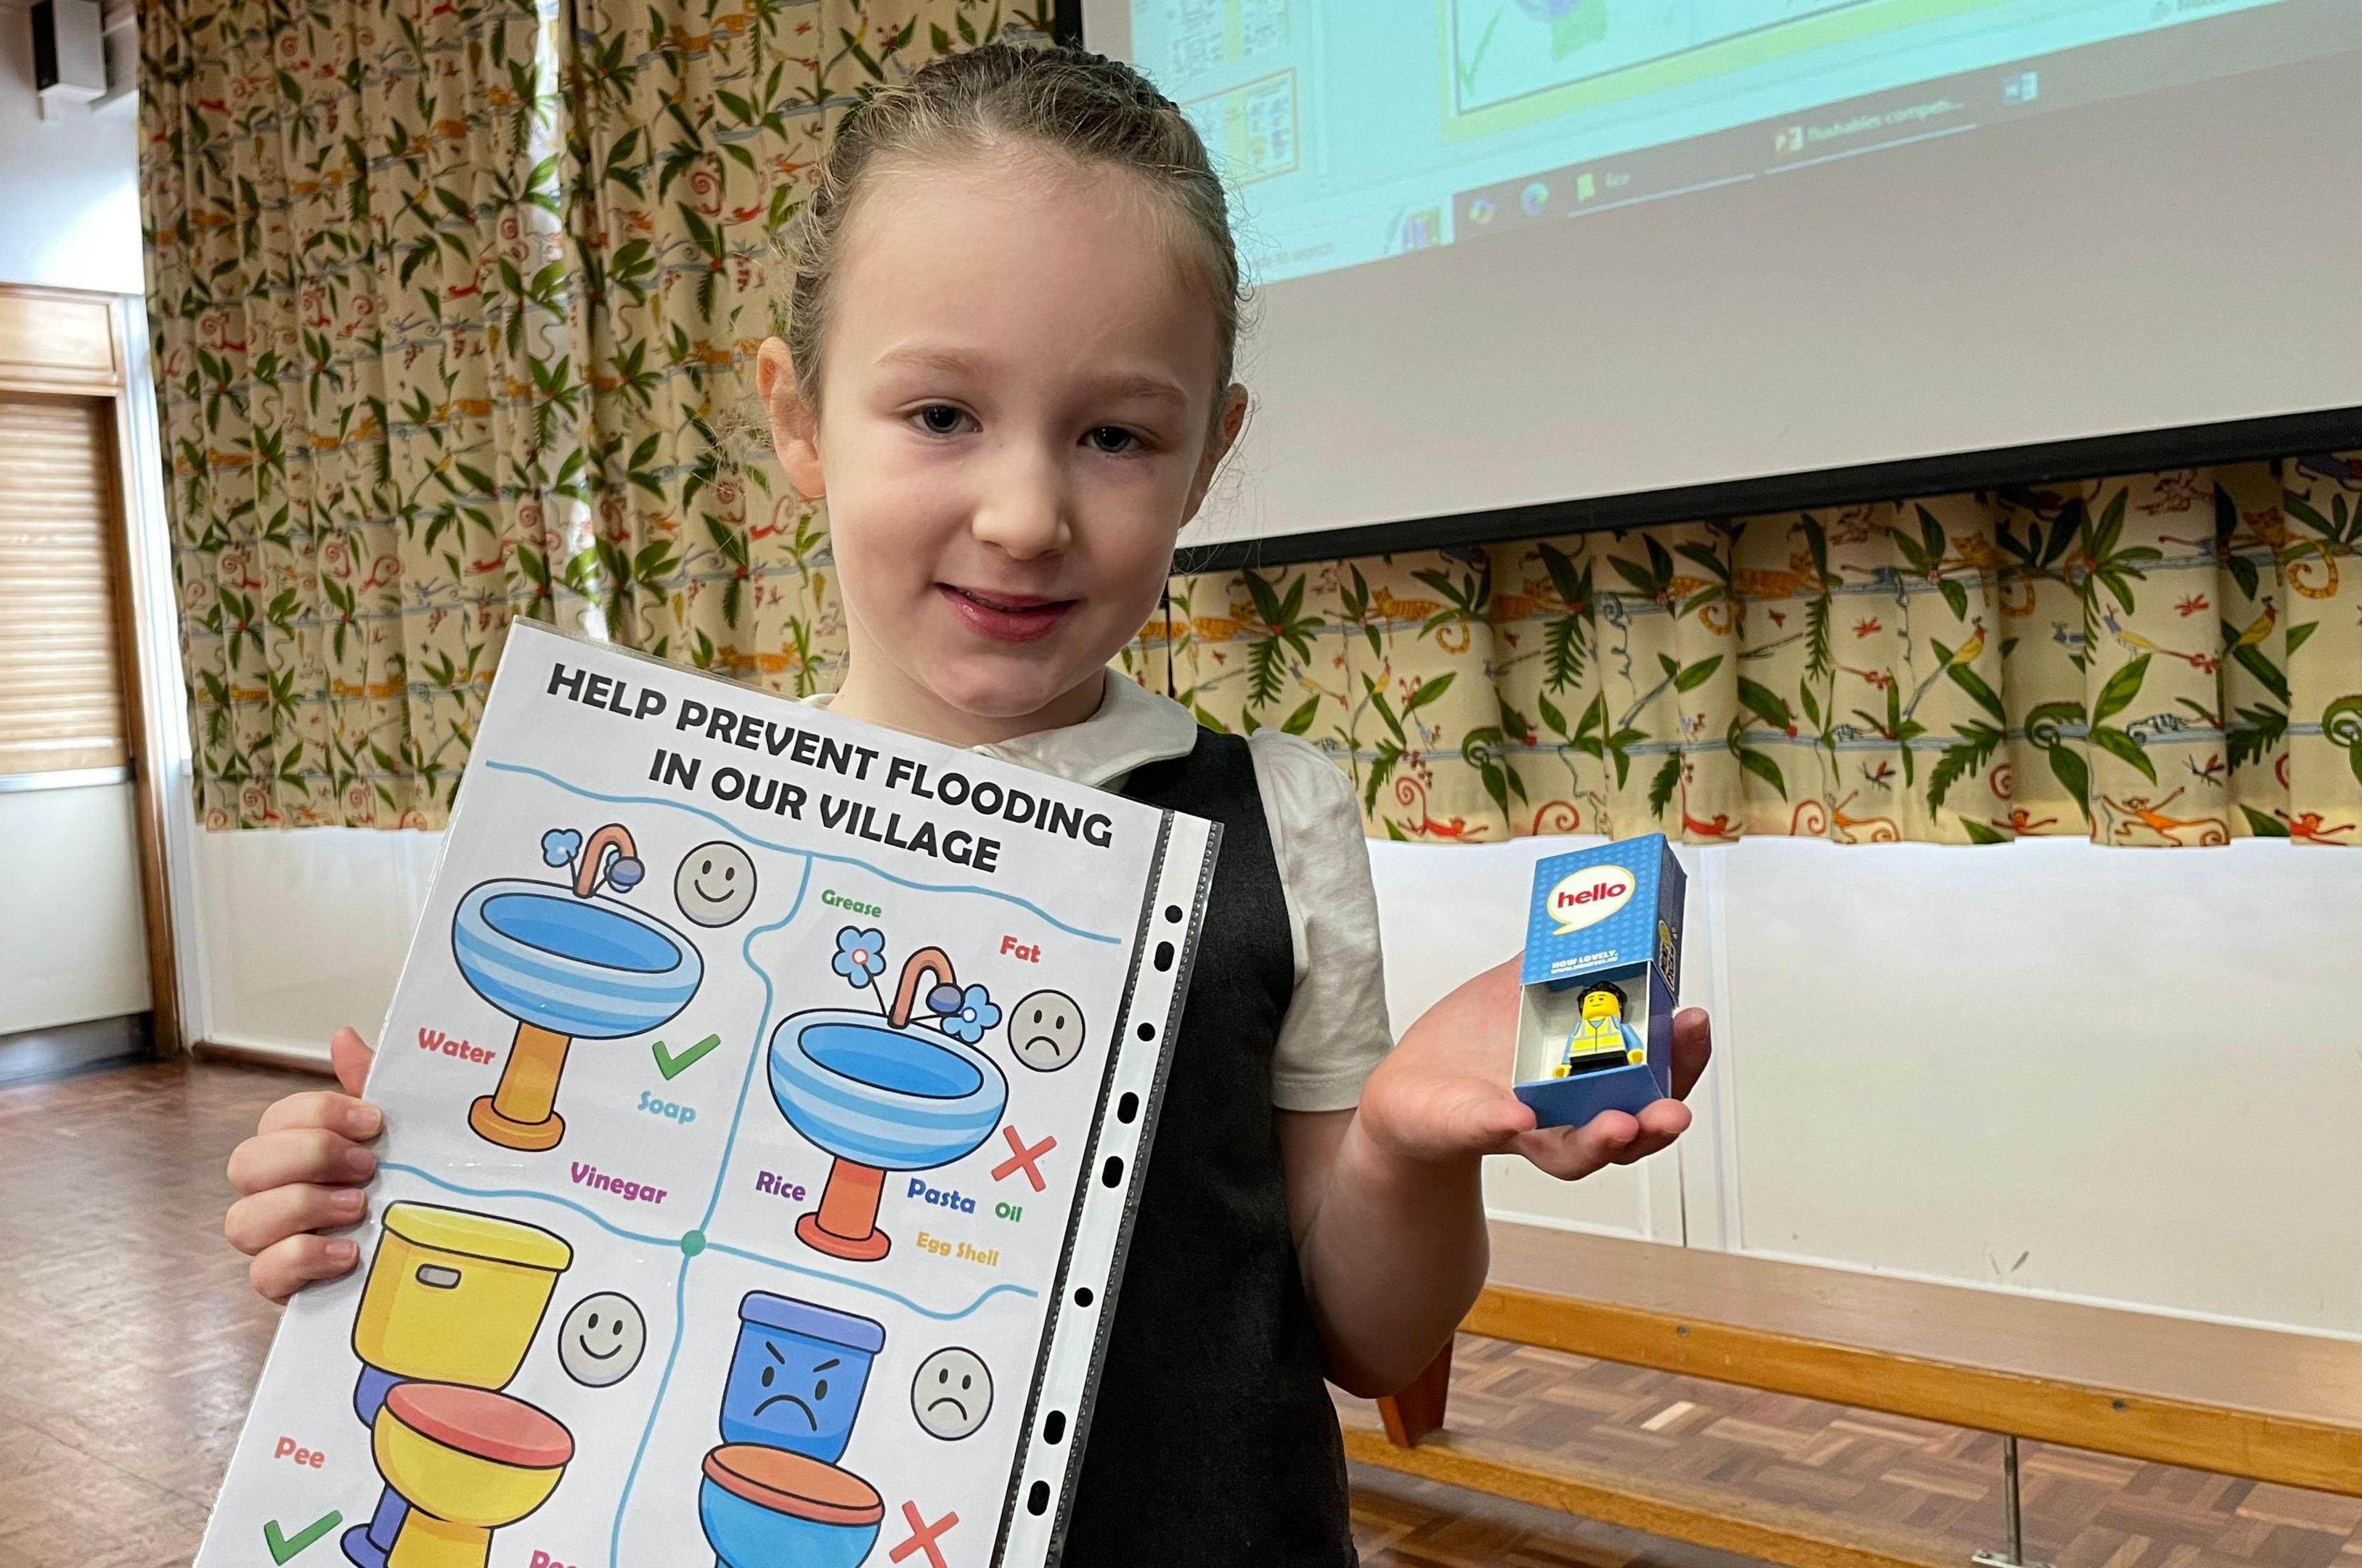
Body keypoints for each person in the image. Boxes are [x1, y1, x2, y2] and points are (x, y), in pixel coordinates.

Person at [221, 41, 1709, 1564]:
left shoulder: (1276, 815)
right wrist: (340, 1209)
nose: (1024, 515)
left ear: (1209, 456)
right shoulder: (673, 841)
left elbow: (1369, 1342)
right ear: (798, 422)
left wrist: (1402, 1145)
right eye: (940, 414)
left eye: (1116, 435)